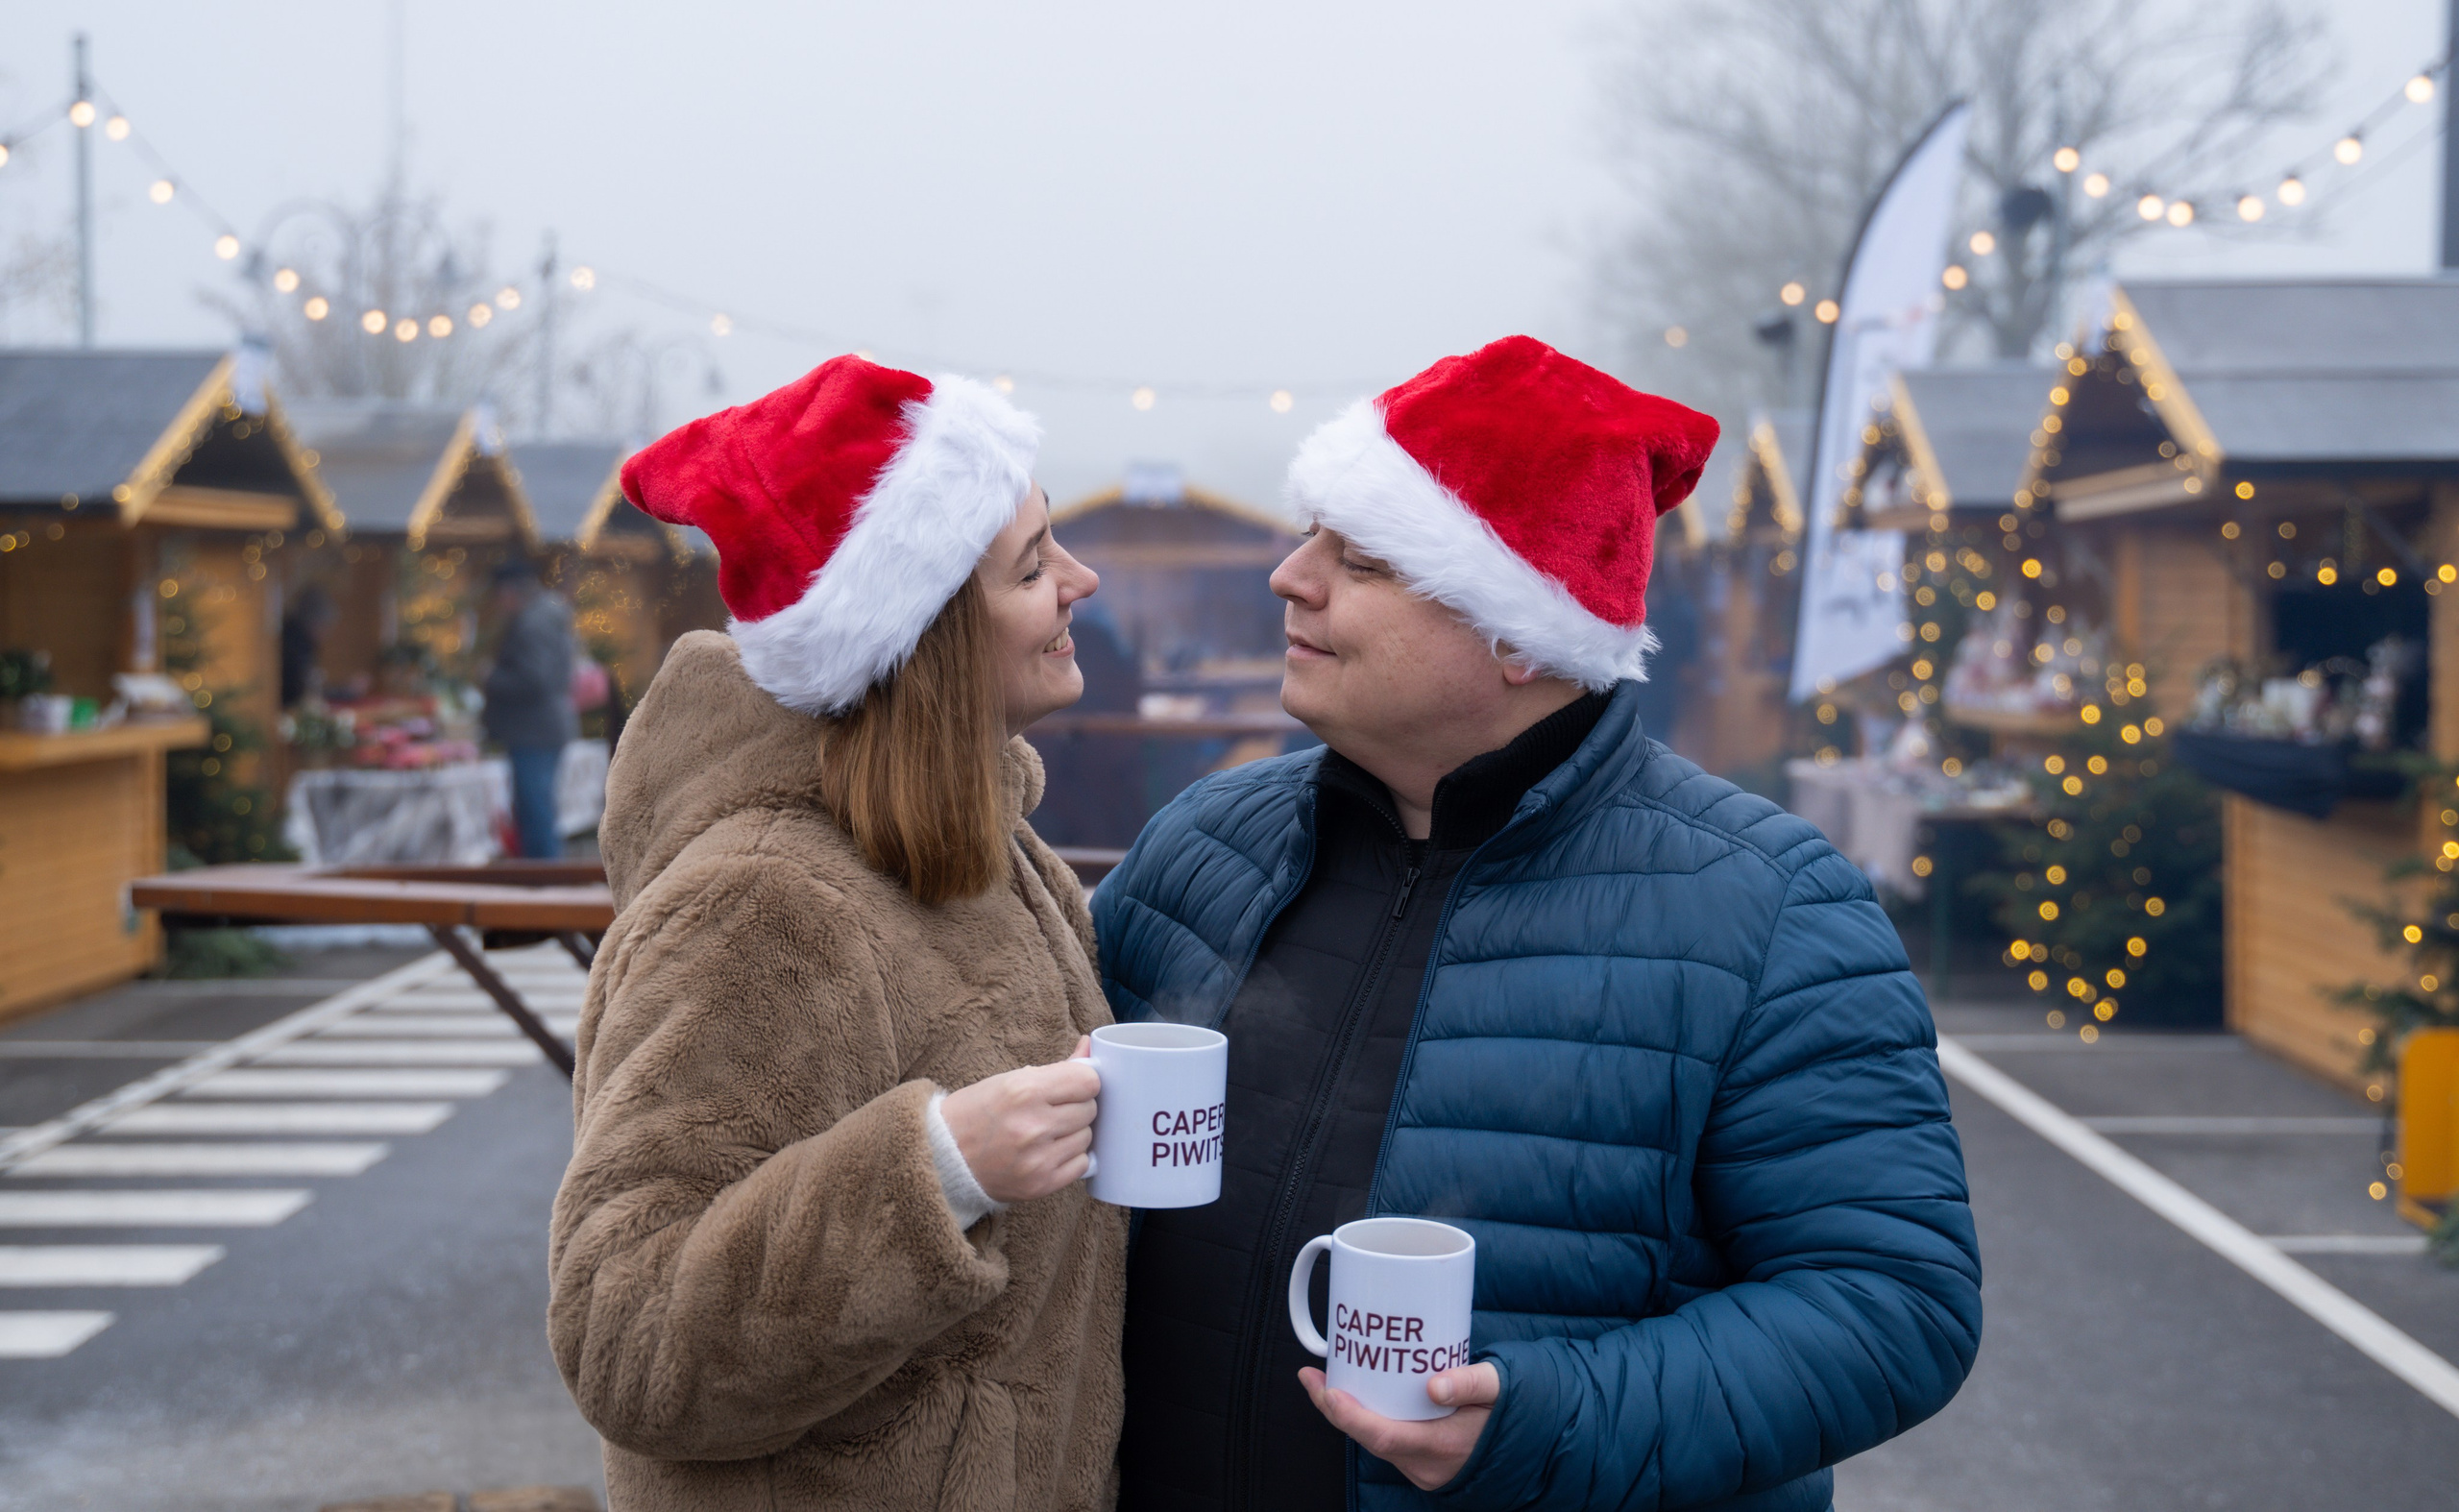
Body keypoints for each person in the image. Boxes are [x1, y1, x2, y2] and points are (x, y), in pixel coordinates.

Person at [1097, 337, 1981, 1512]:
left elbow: (1891, 1303)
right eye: (1312, 537)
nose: (1289, 577)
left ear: (1521, 633)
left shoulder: (1770, 905)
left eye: (1363, 559)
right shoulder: (1203, 843)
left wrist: (1549, 1423)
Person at [548, 356, 1126, 1511]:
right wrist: (941, 1167)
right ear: (930, 634)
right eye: (1031, 566)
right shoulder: (764, 903)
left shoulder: (989, 846)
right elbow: (626, 1330)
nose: (1081, 579)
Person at [481, 559, 578, 859]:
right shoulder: (547, 615)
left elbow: (535, 680)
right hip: (543, 727)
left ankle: (543, 880)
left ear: (509, 592)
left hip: (533, 731)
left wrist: (491, 678)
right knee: (537, 812)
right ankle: (542, 876)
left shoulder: (532, 623)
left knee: (536, 815)